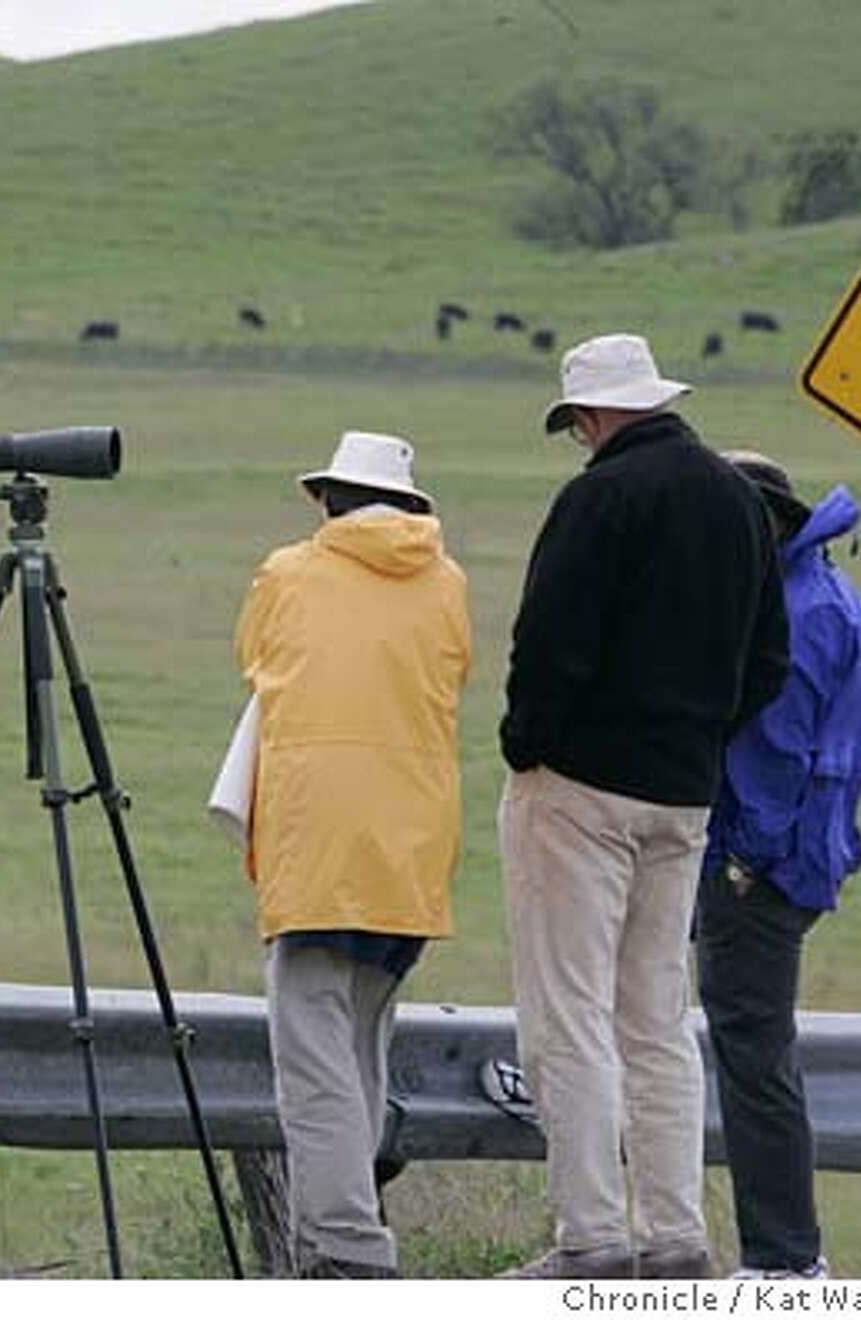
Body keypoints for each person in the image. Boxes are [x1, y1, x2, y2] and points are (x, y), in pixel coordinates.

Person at [498, 334, 788, 1281]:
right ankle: (676, 1236)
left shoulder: (599, 498)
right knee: (658, 1020)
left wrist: (527, 742)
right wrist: (700, 736)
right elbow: (769, 661)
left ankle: (591, 1236)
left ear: (593, 415)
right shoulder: (738, 502)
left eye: (577, 425)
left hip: (582, 787)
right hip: (684, 793)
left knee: (571, 1016)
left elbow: (549, 644)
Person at [232, 431, 470, 1280]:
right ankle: (346, 1224)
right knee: (362, 1044)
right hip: (412, 849)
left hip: (319, 842)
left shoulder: (288, 573)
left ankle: (344, 1248)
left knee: (313, 1060)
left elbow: (255, 657)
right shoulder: (447, 583)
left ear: (330, 500)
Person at [698, 452, 861, 1282]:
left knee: (753, 1054)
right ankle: (785, 1254)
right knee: (759, 1047)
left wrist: (747, 855)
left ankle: (782, 1258)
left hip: (763, 868)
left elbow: (772, 753)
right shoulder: (844, 599)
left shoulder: (790, 609)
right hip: (812, 855)